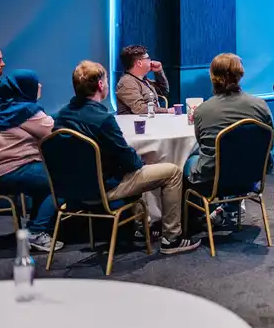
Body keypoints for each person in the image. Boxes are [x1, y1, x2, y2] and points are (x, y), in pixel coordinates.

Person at [53, 60, 199, 255]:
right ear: (100, 85)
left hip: (68, 188)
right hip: (104, 189)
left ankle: (141, 225)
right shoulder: (103, 119)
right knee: (171, 172)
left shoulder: (61, 116)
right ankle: (171, 238)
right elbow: (130, 161)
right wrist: (141, 162)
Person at [0, 70, 62, 252]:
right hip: (5, 169)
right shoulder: (27, 111)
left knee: (44, 176)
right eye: (36, 83)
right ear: (26, 88)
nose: (40, 86)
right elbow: (54, 133)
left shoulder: (5, 106)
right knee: (59, 180)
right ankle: (36, 232)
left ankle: (38, 226)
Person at [186, 53, 272, 185]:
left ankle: (196, 204)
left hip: (213, 177)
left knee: (188, 159)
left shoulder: (202, 111)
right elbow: (269, 143)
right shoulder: (261, 105)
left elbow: (202, 144)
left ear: (212, 76)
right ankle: (233, 204)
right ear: (240, 75)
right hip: (253, 172)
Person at [115, 45, 169, 115]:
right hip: (134, 124)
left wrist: (159, 72)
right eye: (148, 58)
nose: (151, 61)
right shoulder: (127, 82)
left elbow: (163, 91)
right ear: (139, 63)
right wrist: (167, 111)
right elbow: (140, 108)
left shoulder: (143, 80)